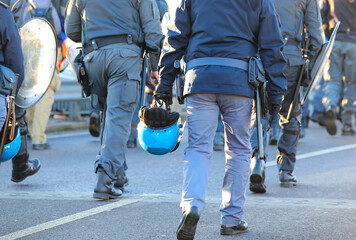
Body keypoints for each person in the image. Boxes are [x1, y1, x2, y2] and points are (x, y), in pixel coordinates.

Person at [154, 0, 287, 238]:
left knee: (197, 147)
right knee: (238, 150)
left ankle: (191, 205)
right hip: (239, 80)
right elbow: (272, 46)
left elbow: (175, 36)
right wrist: (276, 92)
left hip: (199, 79)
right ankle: (231, 219)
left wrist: (165, 80)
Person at [65, 0, 163, 200]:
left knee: (109, 114)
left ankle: (118, 173)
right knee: (118, 116)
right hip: (125, 57)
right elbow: (152, 28)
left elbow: (72, 30)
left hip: (93, 58)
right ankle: (104, 178)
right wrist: (154, 64)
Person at [250, 0, 324, 193]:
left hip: (261, 56)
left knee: (261, 113)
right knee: (291, 113)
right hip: (291, 58)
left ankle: (257, 162)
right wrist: (311, 71)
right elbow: (316, 34)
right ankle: (286, 170)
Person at [7, 0, 63, 150]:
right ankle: (38, 138)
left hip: (24, 46)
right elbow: (63, 23)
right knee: (47, 91)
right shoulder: (50, 4)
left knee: (30, 89)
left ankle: (31, 131)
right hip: (48, 45)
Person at [0, 1, 41, 182]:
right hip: (3, 81)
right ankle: (21, 165)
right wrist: (16, 85)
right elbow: (19, 46)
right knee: (16, 115)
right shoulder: (5, 10)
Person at [323, 0, 356, 136]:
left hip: (335, 39)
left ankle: (331, 105)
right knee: (351, 82)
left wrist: (327, 33)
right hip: (354, 41)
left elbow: (321, 14)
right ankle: (347, 123)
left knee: (333, 80)